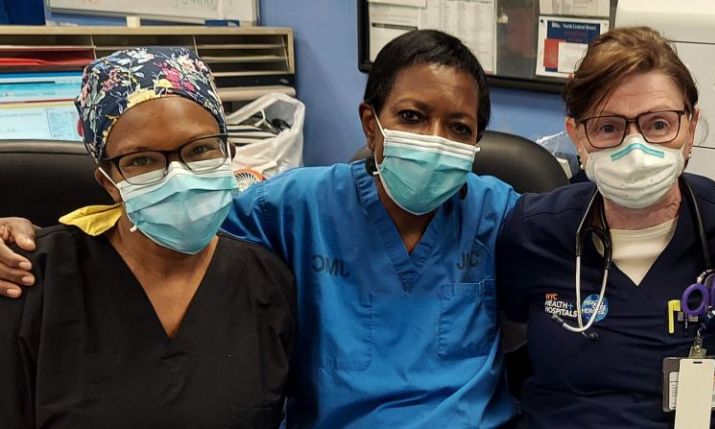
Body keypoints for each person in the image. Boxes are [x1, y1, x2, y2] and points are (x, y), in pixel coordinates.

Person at [0, 30, 519, 428]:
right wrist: (25, 231)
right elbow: (169, 226)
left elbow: (576, 241)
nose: (432, 141)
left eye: (458, 129)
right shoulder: (297, 206)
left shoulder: (500, 214)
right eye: (410, 116)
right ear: (370, 122)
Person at [0, 47, 296, 427]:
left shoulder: (269, 284)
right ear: (109, 183)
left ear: (229, 154)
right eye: (142, 160)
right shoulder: (29, 279)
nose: (179, 176)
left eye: (200, 149)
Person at [495, 26, 715, 427]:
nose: (636, 148)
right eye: (608, 128)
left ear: (691, 128)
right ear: (578, 135)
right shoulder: (534, 230)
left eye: (659, 125)